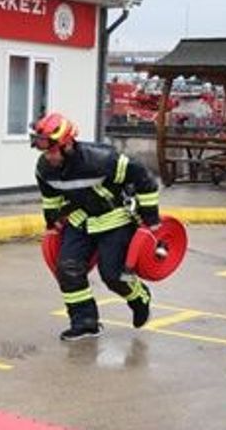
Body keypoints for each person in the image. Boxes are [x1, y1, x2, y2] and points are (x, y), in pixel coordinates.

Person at [32, 112, 161, 341]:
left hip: (115, 218)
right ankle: (85, 323)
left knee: (113, 275)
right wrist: (52, 224)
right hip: (81, 220)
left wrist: (150, 219)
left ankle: (139, 297)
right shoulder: (44, 169)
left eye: (52, 150)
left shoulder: (102, 160)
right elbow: (51, 200)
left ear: (67, 145)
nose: (48, 156)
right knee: (68, 270)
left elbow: (144, 179)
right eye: (44, 151)